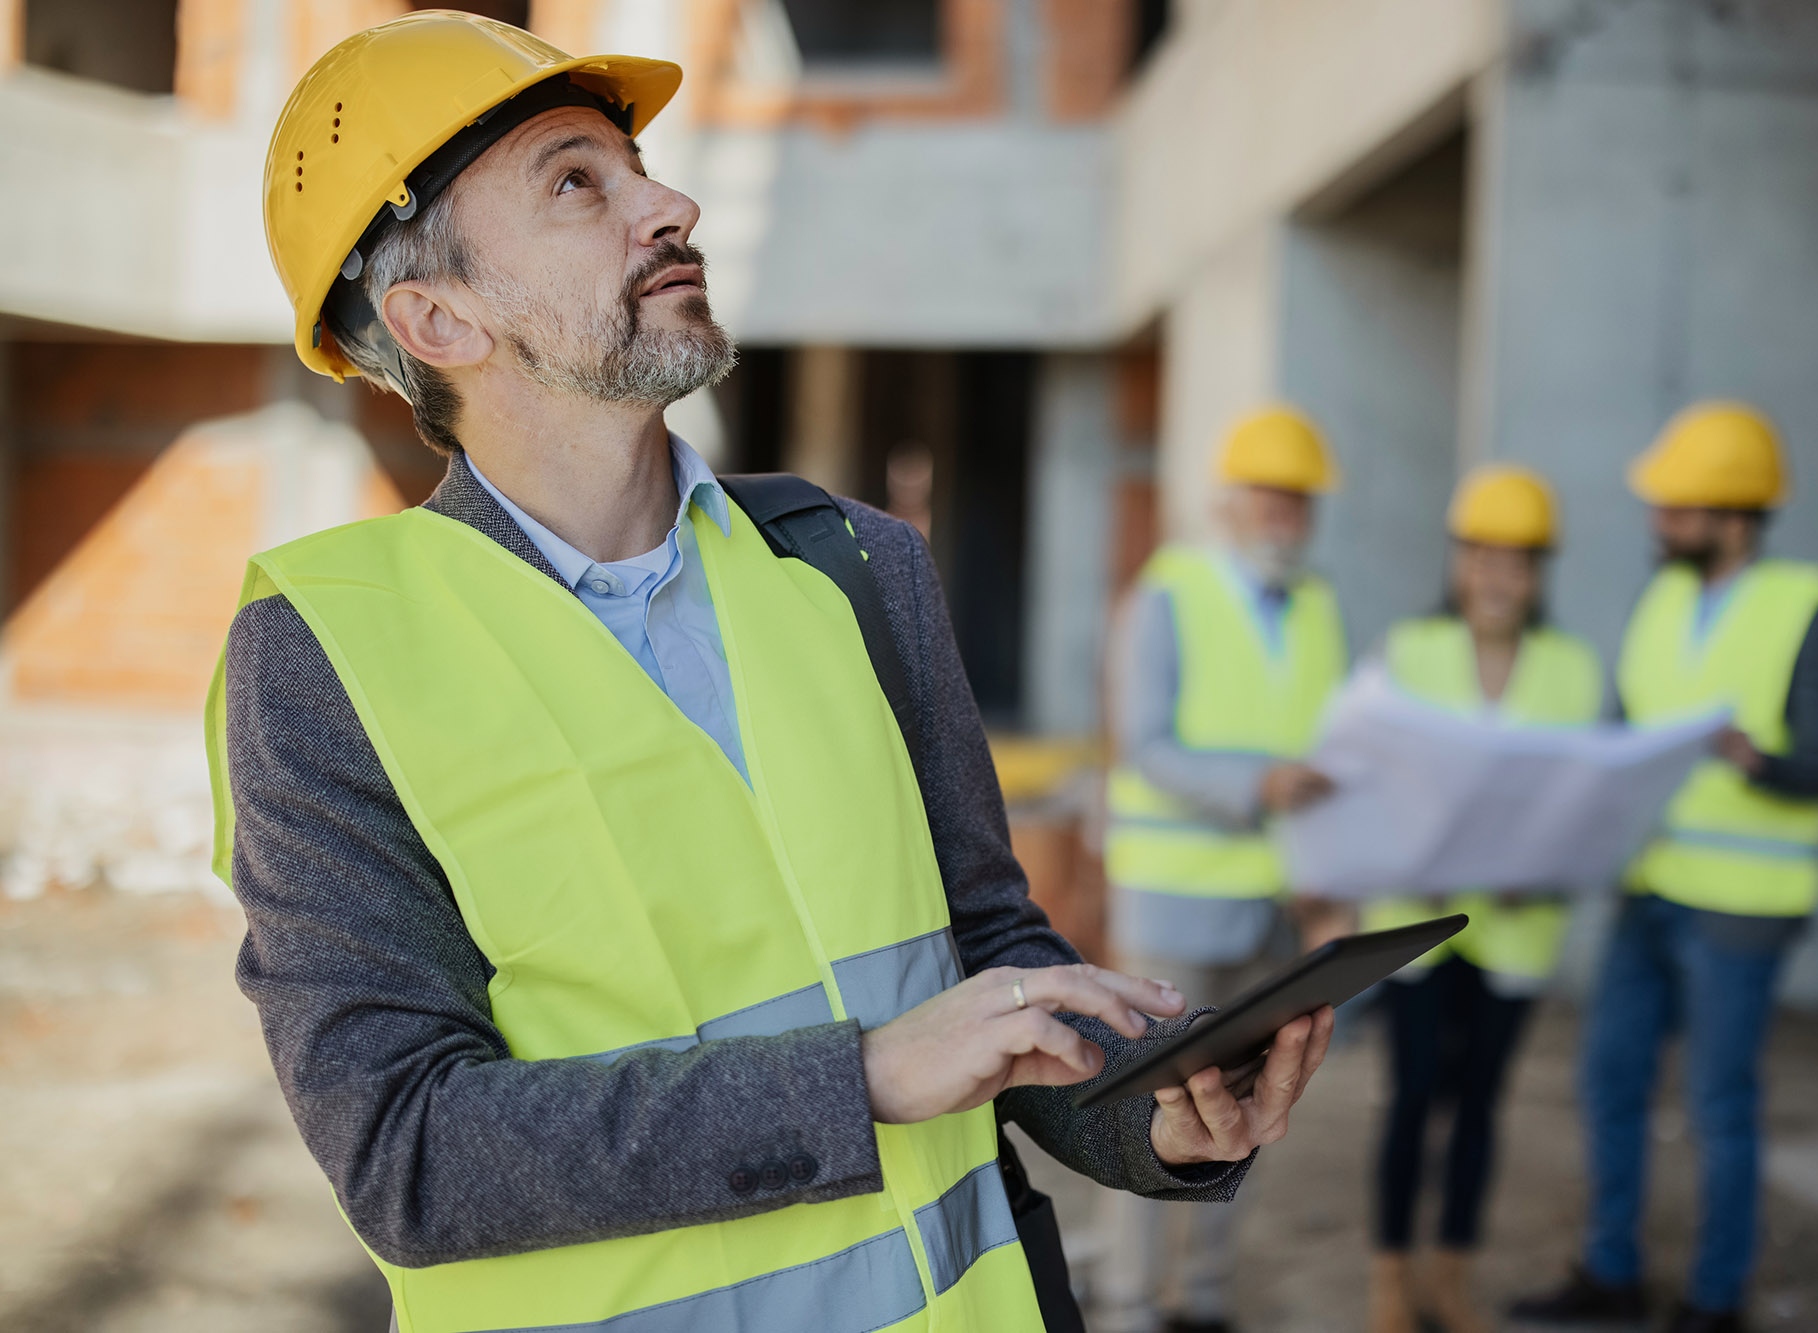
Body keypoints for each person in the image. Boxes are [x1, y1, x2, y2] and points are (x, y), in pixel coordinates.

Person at [211, 15, 1336, 1333]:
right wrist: (856, 1078)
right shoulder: (327, 652)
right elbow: (411, 1150)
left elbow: (983, 958)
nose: (670, 204)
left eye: (642, 168)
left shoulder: (854, 563)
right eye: (579, 183)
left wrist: (1162, 1119)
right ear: (438, 316)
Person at [1511, 403, 1818, 1333]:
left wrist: (1754, 758)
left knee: (1718, 1102)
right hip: (1650, 890)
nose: (1658, 524)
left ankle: (1716, 1298)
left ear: (1733, 516)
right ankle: (1611, 1270)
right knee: (1610, 1080)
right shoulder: (1661, 600)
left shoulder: (1810, 613)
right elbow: (1630, 730)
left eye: (1677, 508)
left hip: (1743, 906)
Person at [1098, 406, 1348, 1333]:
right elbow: (1146, 744)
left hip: (1276, 907)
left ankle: (1202, 1297)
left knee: (1245, 1114)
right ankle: (1129, 1302)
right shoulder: (1166, 596)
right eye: (1270, 499)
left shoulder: (1319, 607)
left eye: (1299, 503)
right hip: (1176, 903)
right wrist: (1261, 783)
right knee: (1151, 1113)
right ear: (1229, 504)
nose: (1285, 518)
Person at [1357, 466, 1604, 1333]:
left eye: (1517, 562)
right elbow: (1375, 775)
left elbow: (1583, 798)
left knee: (1480, 1106)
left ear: (1538, 574)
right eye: (1482, 557)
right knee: (1413, 1095)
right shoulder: (1410, 651)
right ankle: (1391, 1278)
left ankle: (1450, 1275)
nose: (1498, 578)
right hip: (1417, 921)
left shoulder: (1572, 671)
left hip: (1516, 924)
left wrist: (1539, 862)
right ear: (1460, 563)